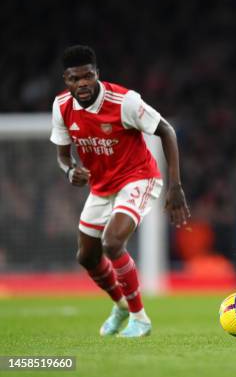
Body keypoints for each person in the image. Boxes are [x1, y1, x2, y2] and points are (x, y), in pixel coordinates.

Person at [50, 45, 190, 337]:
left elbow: (166, 130)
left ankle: (140, 318)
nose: (83, 83)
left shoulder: (124, 101)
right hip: (102, 187)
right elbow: (64, 156)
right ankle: (121, 305)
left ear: (97, 74)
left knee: (112, 243)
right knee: (86, 257)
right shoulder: (61, 107)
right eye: (76, 79)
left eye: (88, 76)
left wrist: (175, 186)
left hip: (138, 177)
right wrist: (69, 170)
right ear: (67, 80)